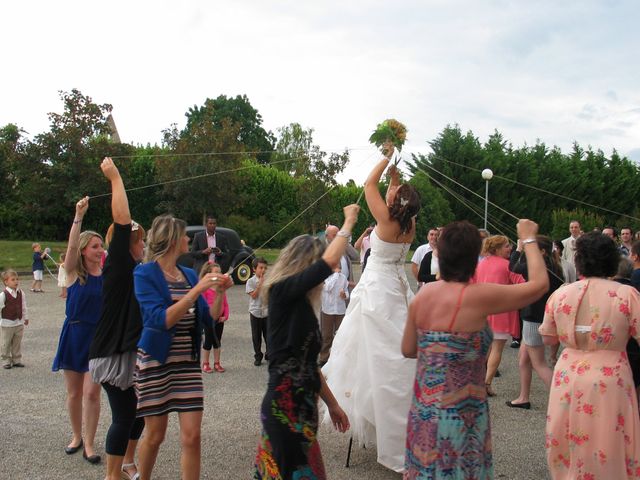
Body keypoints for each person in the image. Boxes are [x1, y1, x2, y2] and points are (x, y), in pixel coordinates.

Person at [401, 219, 548, 479]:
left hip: (424, 411)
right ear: (473, 256)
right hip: (462, 415)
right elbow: (539, 285)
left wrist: (439, 354)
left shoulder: (422, 296)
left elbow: (408, 349)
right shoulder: (478, 296)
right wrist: (528, 239)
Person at [322, 142, 421, 472]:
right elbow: (390, 194)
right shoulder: (409, 226)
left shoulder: (385, 219)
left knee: (369, 354)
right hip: (396, 288)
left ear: (394, 203)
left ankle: (369, 412)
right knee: (392, 356)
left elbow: (368, 185)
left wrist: (385, 156)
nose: (389, 196)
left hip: (377, 290)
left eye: (393, 195)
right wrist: (395, 176)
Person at [253, 205, 356, 480]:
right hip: (283, 410)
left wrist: (333, 405)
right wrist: (349, 222)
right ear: (305, 265)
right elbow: (326, 265)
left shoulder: (301, 307)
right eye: (318, 264)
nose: (327, 273)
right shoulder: (281, 292)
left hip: (304, 411)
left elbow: (309, 365)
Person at [133, 214, 232, 480]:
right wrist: (196, 290)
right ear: (172, 240)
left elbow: (209, 317)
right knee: (155, 436)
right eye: (185, 234)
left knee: (192, 436)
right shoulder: (144, 273)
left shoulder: (188, 274)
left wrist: (220, 291)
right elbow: (159, 319)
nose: (189, 238)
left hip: (187, 363)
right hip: (156, 362)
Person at [540, 231, 640, 479]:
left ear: (578, 260)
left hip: (568, 372)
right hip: (610, 374)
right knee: (609, 437)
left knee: (566, 435)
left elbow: (548, 338)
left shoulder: (561, 294)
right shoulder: (626, 295)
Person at [87, 158, 146, 480]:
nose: (144, 245)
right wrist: (115, 177)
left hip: (125, 350)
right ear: (129, 244)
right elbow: (122, 221)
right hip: (112, 352)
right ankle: (113, 475)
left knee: (138, 415)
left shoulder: (135, 269)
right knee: (125, 416)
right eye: (141, 241)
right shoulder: (119, 264)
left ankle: (125, 465)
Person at [52, 196, 104, 464]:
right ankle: (76, 436)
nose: (100, 250)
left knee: (92, 392)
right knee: (74, 393)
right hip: (74, 335)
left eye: (101, 246)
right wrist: (78, 216)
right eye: (95, 246)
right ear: (84, 250)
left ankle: (91, 444)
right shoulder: (73, 272)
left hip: (98, 339)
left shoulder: (106, 275)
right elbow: (71, 245)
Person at [506, 236, 564, 409]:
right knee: (524, 359)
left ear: (542, 251)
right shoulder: (554, 265)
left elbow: (513, 267)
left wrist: (519, 248)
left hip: (534, 317)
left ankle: (564, 400)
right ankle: (523, 397)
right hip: (541, 315)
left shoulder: (538, 267)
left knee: (539, 364)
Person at [475, 235, 525, 396]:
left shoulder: (481, 264)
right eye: (506, 246)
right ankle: (487, 383)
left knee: (486, 348)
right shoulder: (508, 266)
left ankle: (479, 380)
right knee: (497, 348)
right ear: (496, 249)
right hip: (501, 311)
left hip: (483, 310)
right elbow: (523, 285)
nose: (509, 248)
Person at [200, 262, 230, 373]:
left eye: (220, 272)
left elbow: (225, 304)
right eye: (216, 272)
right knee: (208, 342)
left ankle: (217, 363)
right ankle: (205, 363)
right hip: (209, 320)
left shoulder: (221, 288)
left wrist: (225, 316)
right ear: (208, 274)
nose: (219, 274)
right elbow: (203, 305)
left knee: (217, 341)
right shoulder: (205, 289)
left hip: (220, 320)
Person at [318, 264, 349, 366]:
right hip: (328, 309)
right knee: (326, 335)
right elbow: (327, 288)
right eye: (337, 267)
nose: (339, 269)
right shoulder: (325, 276)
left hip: (340, 310)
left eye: (339, 267)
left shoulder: (343, 278)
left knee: (340, 334)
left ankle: (338, 357)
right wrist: (335, 275)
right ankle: (324, 358)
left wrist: (345, 295)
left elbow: (346, 291)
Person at [1, 269, 29, 369]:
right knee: (6, 342)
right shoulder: (3, 295)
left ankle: (16, 359)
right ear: (6, 282)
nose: (16, 281)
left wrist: (26, 317)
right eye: (13, 279)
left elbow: (24, 305)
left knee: (17, 342)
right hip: (7, 323)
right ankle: (6, 360)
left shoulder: (21, 292)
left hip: (18, 322)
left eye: (17, 279)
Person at [246, 257, 268, 366]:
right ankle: (258, 356)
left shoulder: (269, 280)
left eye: (265, 268)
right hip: (255, 312)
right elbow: (254, 296)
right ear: (254, 269)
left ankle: (269, 353)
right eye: (260, 268)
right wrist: (260, 285)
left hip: (266, 312)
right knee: (256, 336)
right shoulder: (250, 281)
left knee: (268, 335)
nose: (263, 270)